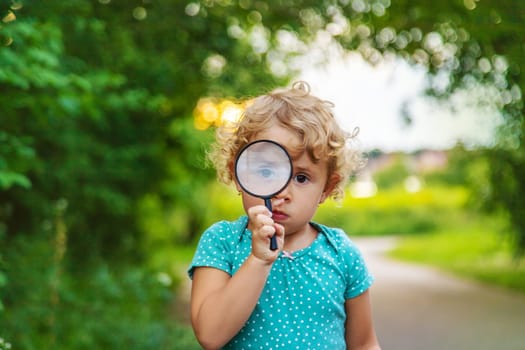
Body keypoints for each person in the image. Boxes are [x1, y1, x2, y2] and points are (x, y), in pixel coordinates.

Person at [188, 81, 381, 350]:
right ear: (238, 172)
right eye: (267, 172)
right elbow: (210, 334)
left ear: (327, 187)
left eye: (301, 177)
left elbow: (363, 344)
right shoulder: (222, 243)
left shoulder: (341, 254)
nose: (283, 193)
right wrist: (258, 260)